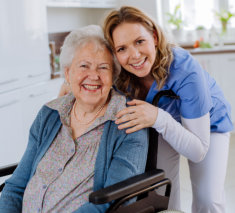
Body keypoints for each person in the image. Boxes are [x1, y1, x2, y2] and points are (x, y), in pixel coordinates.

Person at [0, 25, 148, 213]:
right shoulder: (49, 113)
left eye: (103, 67)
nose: (93, 76)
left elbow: (114, 201)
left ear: (113, 77)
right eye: (84, 66)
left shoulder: (128, 122)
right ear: (68, 73)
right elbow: (15, 188)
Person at [102, 6, 233, 213]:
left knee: (208, 200)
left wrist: (159, 118)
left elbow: (197, 151)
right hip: (159, 122)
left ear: (154, 37)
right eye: (122, 49)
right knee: (161, 193)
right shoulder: (119, 75)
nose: (134, 55)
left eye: (139, 41)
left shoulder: (184, 70)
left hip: (209, 125)